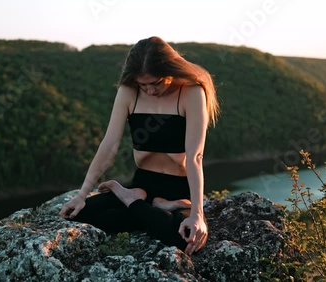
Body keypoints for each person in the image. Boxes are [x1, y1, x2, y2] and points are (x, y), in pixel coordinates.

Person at [59, 36, 219, 255]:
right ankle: (146, 204)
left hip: (179, 187)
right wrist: (81, 195)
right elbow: (109, 145)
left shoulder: (191, 92)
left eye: (155, 83)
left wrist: (197, 214)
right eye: (143, 85)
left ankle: (136, 201)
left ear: (171, 71)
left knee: (186, 241)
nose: (150, 90)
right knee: (78, 214)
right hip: (143, 183)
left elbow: (195, 156)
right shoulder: (128, 91)